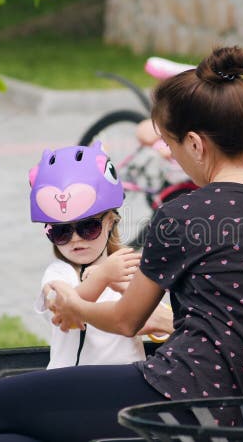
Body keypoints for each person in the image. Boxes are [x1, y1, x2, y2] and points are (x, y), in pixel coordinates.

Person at [0, 46, 243, 442]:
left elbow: (126, 319)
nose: (176, 160)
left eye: (172, 146)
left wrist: (75, 304)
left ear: (196, 144)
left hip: (177, 399)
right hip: (240, 406)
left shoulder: (186, 214)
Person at [29, 141, 166, 368]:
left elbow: (156, 325)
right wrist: (103, 277)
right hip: (71, 385)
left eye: (88, 228)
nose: (75, 239)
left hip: (126, 379)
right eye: (61, 232)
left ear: (111, 222)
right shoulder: (59, 272)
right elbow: (63, 310)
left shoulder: (125, 264)